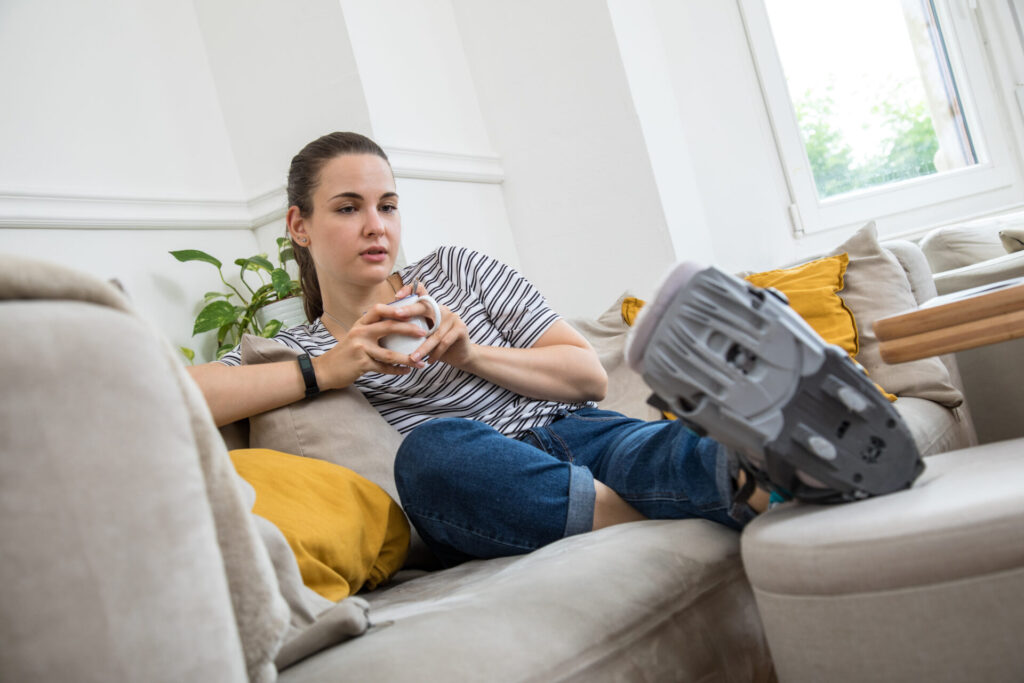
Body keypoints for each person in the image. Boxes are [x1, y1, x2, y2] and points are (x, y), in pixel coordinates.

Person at [188, 131, 767, 568]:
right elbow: (179, 396)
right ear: (299, 225)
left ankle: (772, 465)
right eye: (348, 207)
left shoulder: (460, 270)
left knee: (664, 444)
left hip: (579, 433)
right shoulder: (298, 348)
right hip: (487, 481)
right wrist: (327, 369)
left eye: (387, 206)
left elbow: (588, 377)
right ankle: (671, 506)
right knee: (430, 453)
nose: (376, 226)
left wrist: (471, 353)